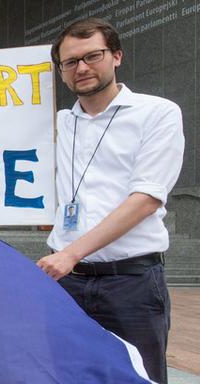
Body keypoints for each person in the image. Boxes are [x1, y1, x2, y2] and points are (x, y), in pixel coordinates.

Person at [37, 18, 183, 383]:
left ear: (116, 56)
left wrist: (71, 253)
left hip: (130, 282)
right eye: (70, 62)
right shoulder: (54, 123)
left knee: (136, 377)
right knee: (64, 375)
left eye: (92, 56)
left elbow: (147, 198)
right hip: (66, 283)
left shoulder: (157, 113)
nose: (81, 67)